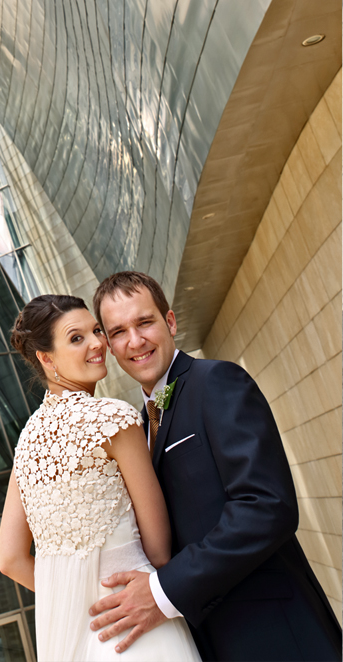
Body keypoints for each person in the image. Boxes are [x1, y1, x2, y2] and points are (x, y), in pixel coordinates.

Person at [89, 271, 342, 661]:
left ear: (170, 322)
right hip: (207, 642)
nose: (135, 341)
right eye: (119, 332)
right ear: (109, 345)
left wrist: (163, 591)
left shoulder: (217, 381)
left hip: (276, 635)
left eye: (145, 322)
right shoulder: (138, 428)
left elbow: (267, 507)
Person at [0, 293, 202, 661]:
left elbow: (10, 559)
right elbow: (158, 550)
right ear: (46, 358)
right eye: (77, 338)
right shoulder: (112, 418)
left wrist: (76, 599)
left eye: (96, 331)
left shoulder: (27, 441)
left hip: (83, 633)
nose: (97, 343)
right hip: (137, 620)